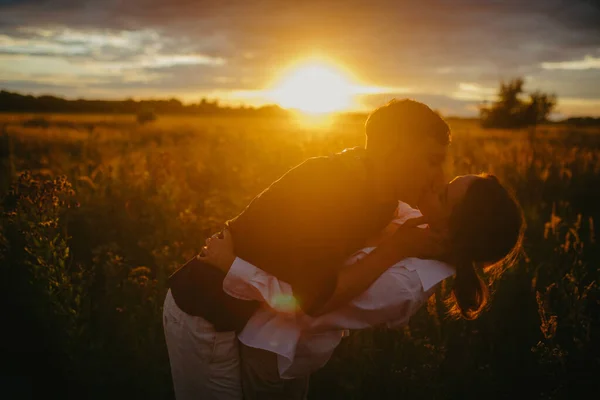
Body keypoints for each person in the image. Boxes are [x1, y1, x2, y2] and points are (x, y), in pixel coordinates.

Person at [164, 99, 451, 400]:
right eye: (432, 160)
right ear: (395, 150)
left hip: (258, 328)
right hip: (205, 312)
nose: (439, 175)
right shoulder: (325, 185)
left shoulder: (383, 200)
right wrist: (397, 248)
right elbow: (317, 300)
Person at [198, 173, 524, 381]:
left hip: (271, 351)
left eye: (444, 196)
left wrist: (232, 265)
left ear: (454, 237)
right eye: (448, 181)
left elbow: (303, 305)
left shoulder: (402, 287)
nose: (436, 184)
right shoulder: (420, 228)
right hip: (263, 334)